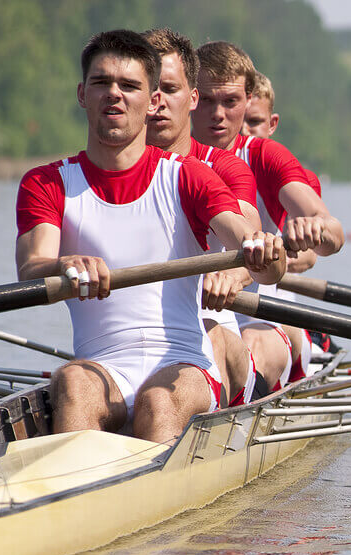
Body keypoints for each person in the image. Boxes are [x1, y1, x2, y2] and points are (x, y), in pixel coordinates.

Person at [15, 30, 285, 443]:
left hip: (184, 364)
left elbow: (247, 241)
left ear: (152, 100)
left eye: (129, 86)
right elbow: (32, 269)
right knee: (71, 382)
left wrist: (262, 248)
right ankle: (71, 493)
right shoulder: (47, 183)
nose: (114, 95)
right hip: (102, 367)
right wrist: (63, 265)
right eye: (101, 83)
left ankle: (140, 493)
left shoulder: (188, 176)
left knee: (158, 402)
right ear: (82, 94)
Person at [191, 41, 344, 392]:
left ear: (245, 103)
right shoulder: (164, 161)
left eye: (229, 102)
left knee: (249, 345)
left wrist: (314, 230)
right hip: (189, 318)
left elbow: (332, 234)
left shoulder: (263, 156)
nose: (218, 114)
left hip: (265, 316)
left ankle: (242, 399)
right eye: (209, 100)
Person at [143, 27, 260, 407]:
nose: (157, 101)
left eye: (169, 90)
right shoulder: (97, 173)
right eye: (149, 87)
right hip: (134, 340)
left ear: (188, 98)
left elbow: (248, 236)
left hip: (215, 326)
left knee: (210, 334)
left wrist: (231, 272)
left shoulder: (224, 168)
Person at [242, 70, 328, 379]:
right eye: (241, 119)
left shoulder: (288, 178)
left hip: (275, 312)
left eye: (254, 122)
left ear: (272, 124)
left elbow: (309, 256)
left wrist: (271, 256)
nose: (244, 130)